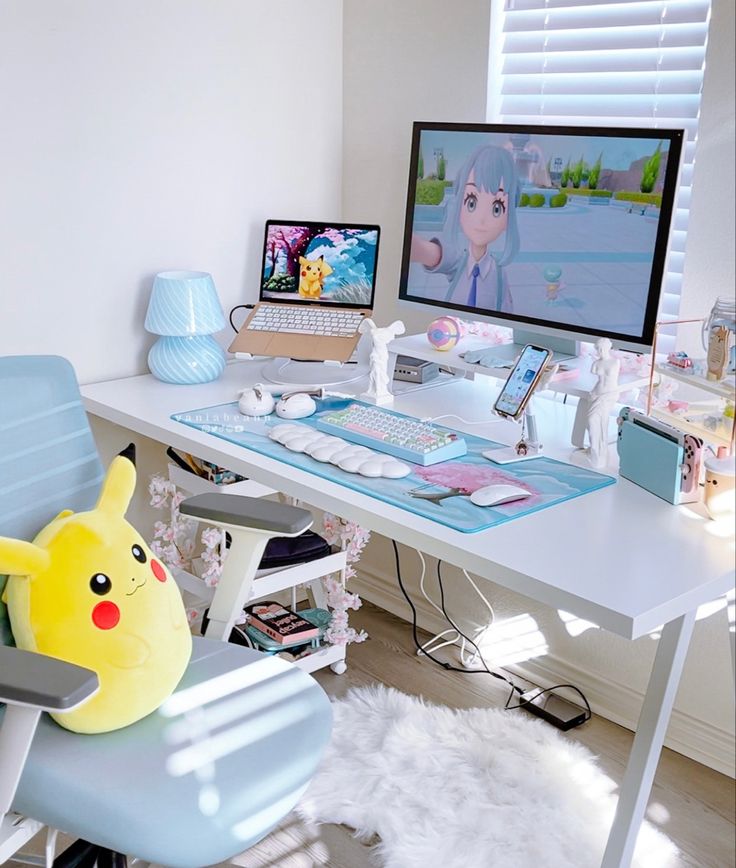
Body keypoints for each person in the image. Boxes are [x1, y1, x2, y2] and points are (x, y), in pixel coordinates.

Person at [410, 144, 520, 312]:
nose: (482, 219)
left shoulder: (499, 274)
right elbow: (437, 255)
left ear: (508, 218)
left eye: (497, 208)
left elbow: (507, 310)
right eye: (471, 202)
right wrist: (416, 249)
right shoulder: (459, 263)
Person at [586, 337, 621, 468]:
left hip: (610, 395)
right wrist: (593, 393)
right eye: (597, 349)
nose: (600, 351)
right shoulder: (596, 364)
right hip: (597, 393)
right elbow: (599, 381)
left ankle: (600, 452)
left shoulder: (615, 362)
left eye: (602, 348)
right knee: (591, 420)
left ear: (608, 348)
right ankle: (595, 449)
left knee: (601, 420)